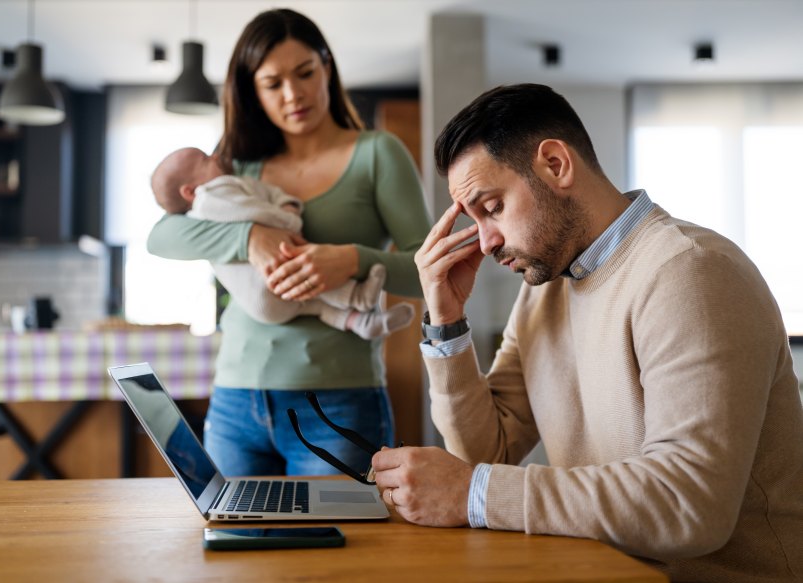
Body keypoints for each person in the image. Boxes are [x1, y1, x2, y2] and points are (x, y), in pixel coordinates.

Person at [371, 84, 803, 582]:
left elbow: (689, 504)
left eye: (491, 208)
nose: (485, 242)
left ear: (555, 165)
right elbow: (487, 452)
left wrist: (474, 493)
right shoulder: (545, 288)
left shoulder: (690, 272)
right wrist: (446, 322)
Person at [147, 8, 431, 479]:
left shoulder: (377, 154)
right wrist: (249, 236)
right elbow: (161, 236)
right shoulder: (237, 162)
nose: (293, 94)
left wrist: (351, 260)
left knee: (335, 551)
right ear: (252, 91)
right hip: (236, 400)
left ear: (327, 68)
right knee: (235, 550)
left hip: (338, 404)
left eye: (305, 73)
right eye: (272, 83)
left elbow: (429, 271)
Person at [150, 146, 415, 341]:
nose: (216, 156)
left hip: (263, 307)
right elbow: (250, 211)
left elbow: (263, 196)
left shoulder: (232, 181)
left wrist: (352, 258)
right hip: (262, 295)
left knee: (314, 303)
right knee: (303, 271)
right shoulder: (211, 196)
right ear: (189, 191)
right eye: (206, 160)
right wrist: (265, 229)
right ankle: (357, 297)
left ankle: (360, 321)